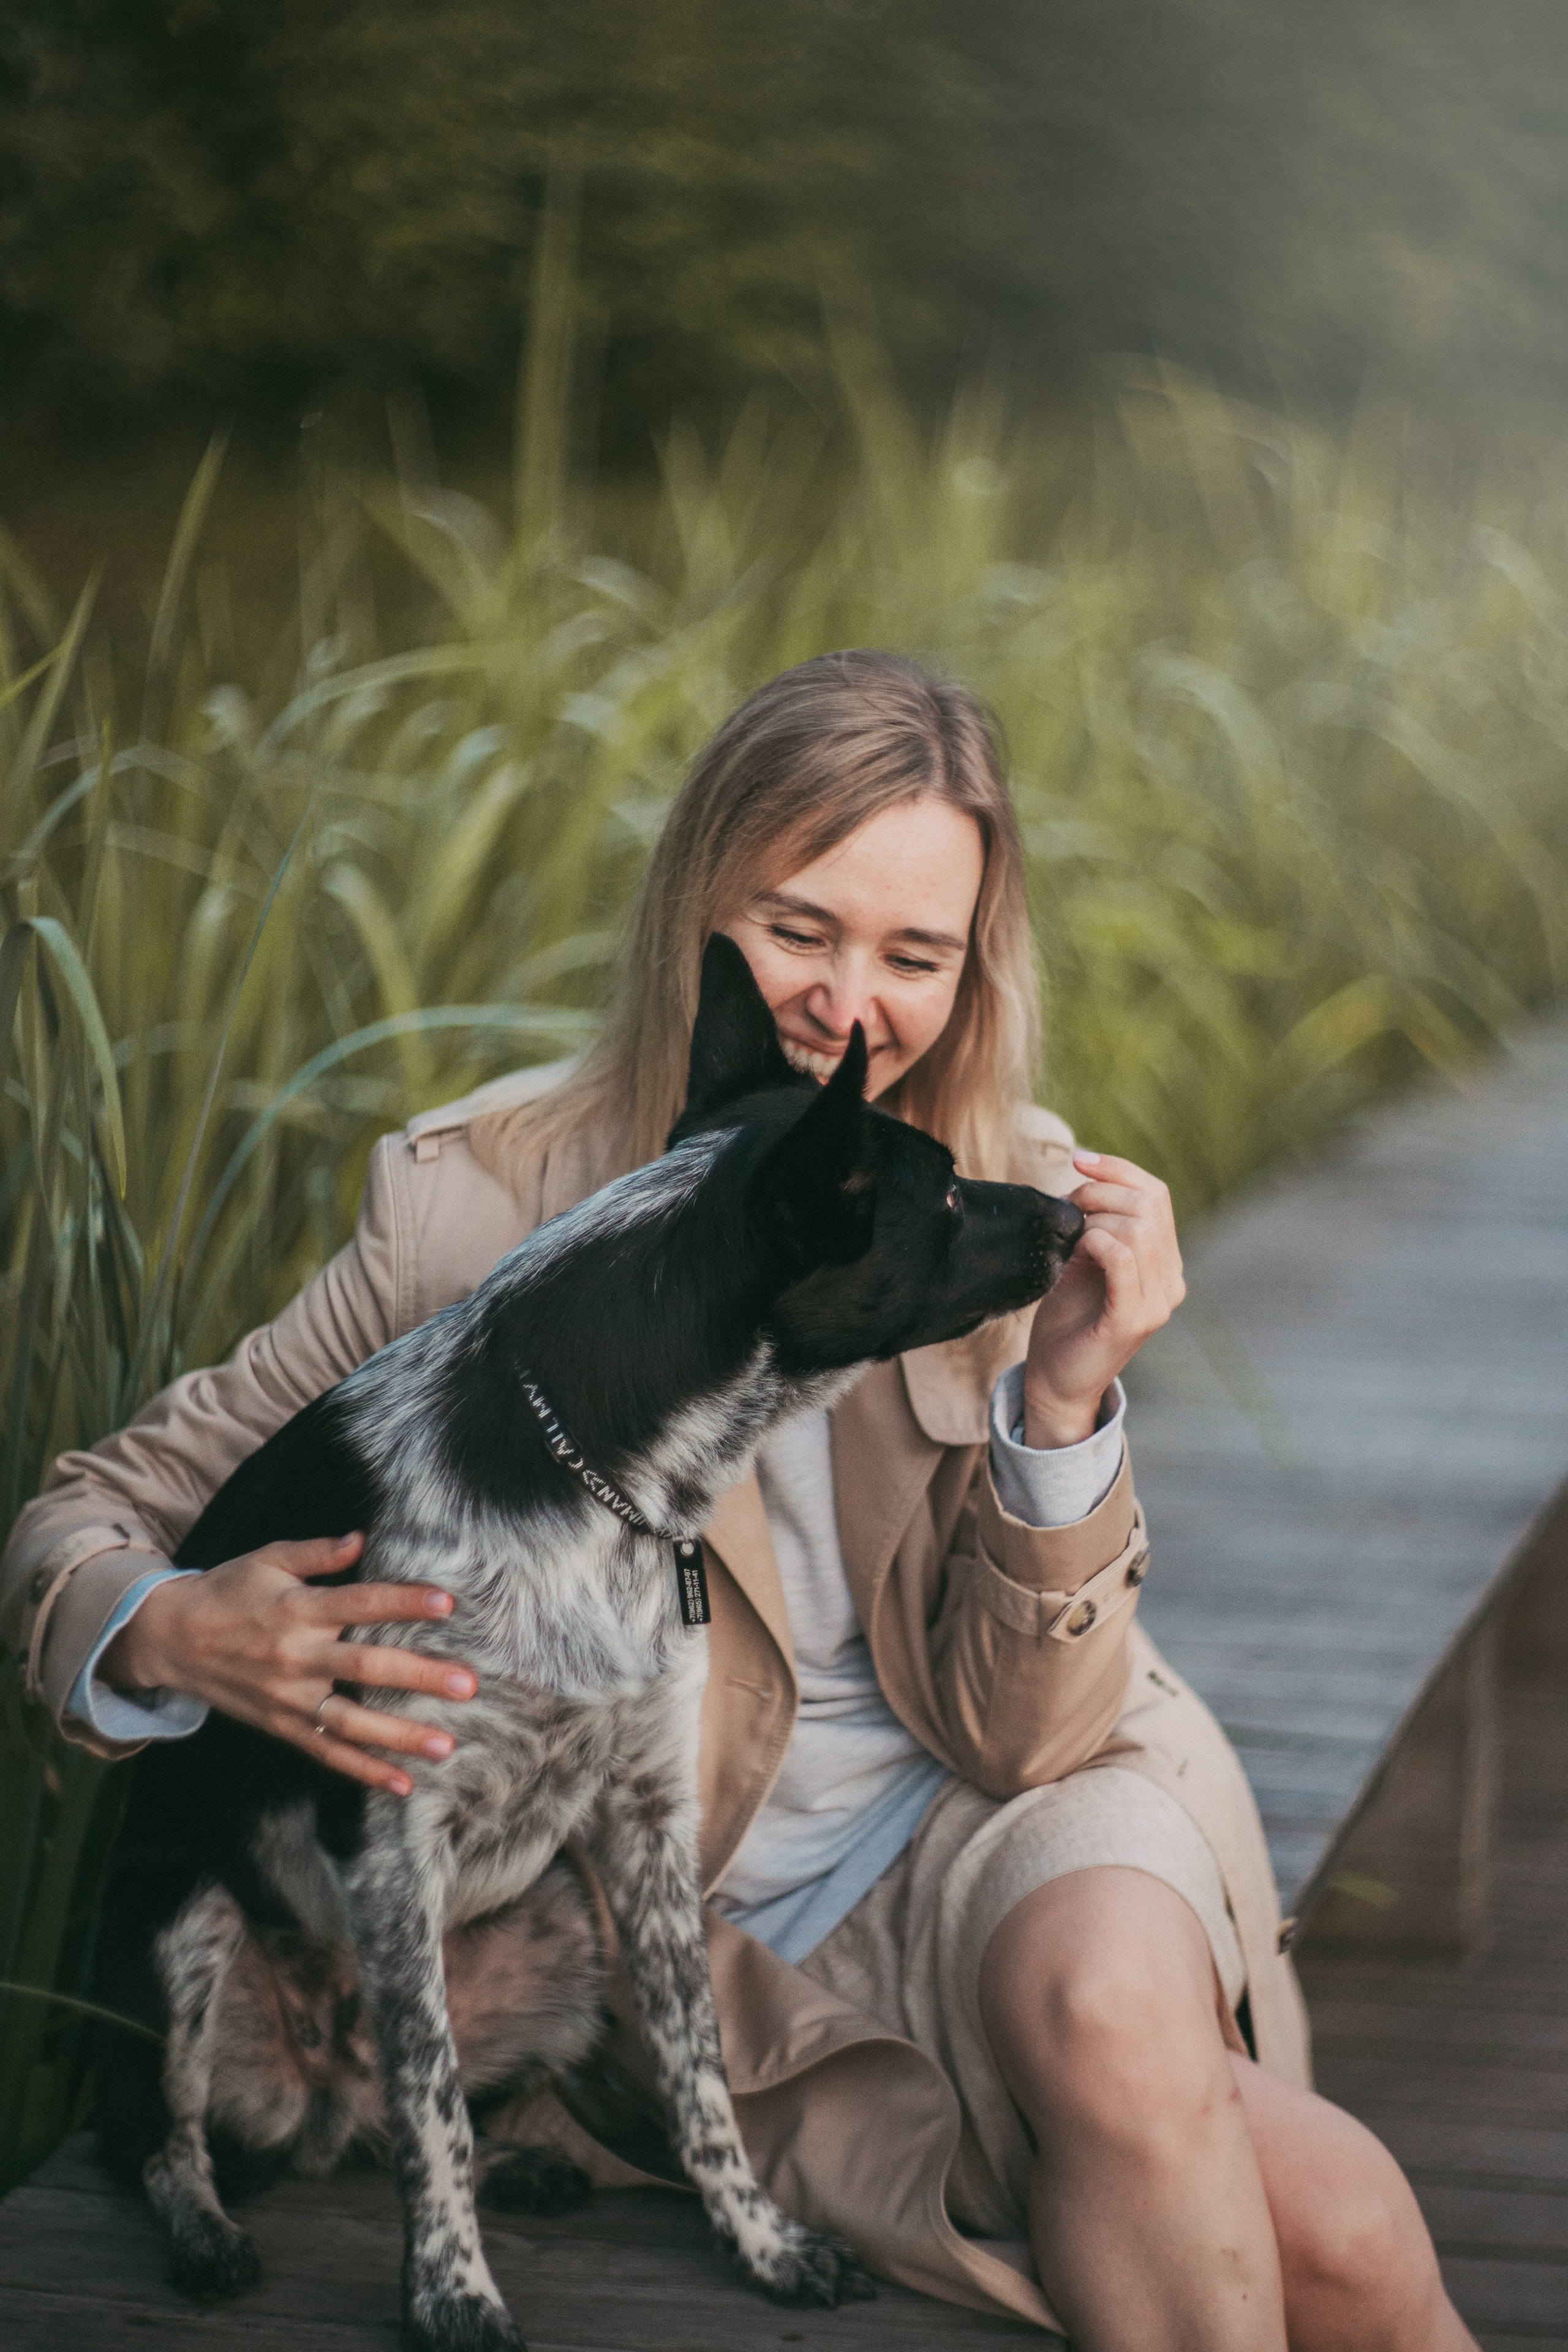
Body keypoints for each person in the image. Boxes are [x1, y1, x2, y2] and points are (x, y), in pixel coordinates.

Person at [1, 651, 1474, 2352]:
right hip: (698, 1939)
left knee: (1336, 2206)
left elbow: (1028, 1735)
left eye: (915, 954)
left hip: (992, 1816)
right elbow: (94, 1509)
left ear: (971, 966)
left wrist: (1064, 1402)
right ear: (696, 914)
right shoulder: (472, 1213)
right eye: (800, 929)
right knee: (1333, 2239)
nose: (853, 1002)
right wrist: (173, 1626)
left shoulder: (996, 1202)